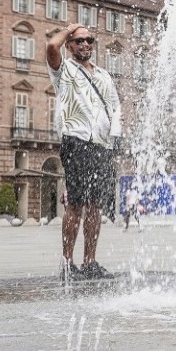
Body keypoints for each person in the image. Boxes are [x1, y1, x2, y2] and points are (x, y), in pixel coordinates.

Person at [47, 23, 121, 281]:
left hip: (101, 145)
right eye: (79, 41)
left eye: (89, 40)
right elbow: (50, 46)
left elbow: (114, 109)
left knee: (95, 205)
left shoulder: (104, 76)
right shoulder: (63, 70)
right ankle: (67, 264)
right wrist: (71, 28)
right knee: (76, 204)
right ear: (70, 45)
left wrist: (115, 139)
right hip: (76, 141)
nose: (85, 44)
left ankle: (89, 262)